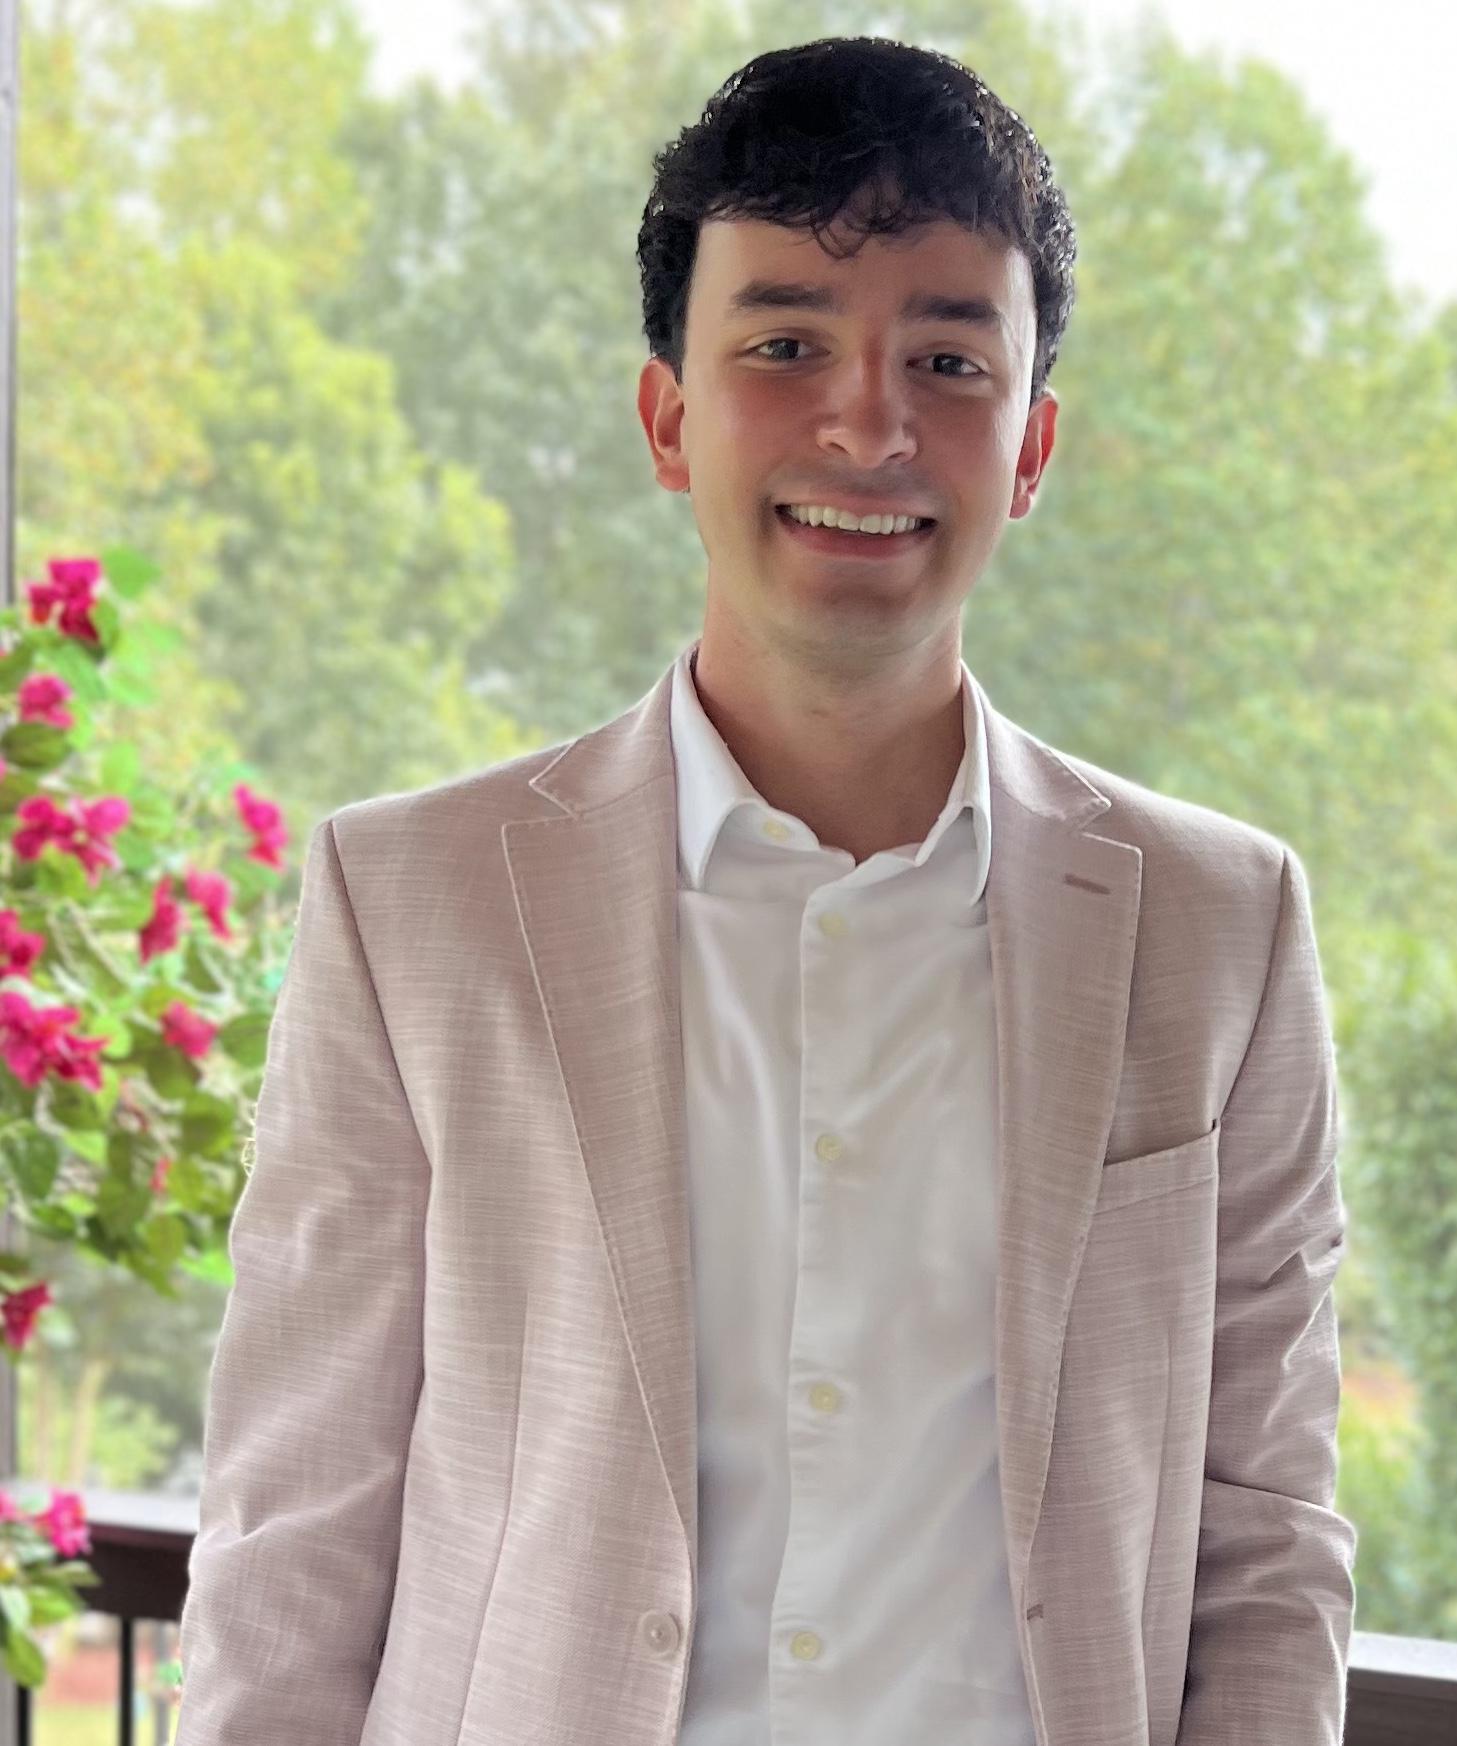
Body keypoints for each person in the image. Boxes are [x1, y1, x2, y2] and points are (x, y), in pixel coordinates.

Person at [173, 35, 1356, 1746]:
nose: (867, 423)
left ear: (1030, 446)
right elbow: (293, 1533)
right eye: (784, 344)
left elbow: (1265, 1536)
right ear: (669, 419)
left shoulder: (1218, 926)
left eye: (947, 359)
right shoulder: (412, 900)